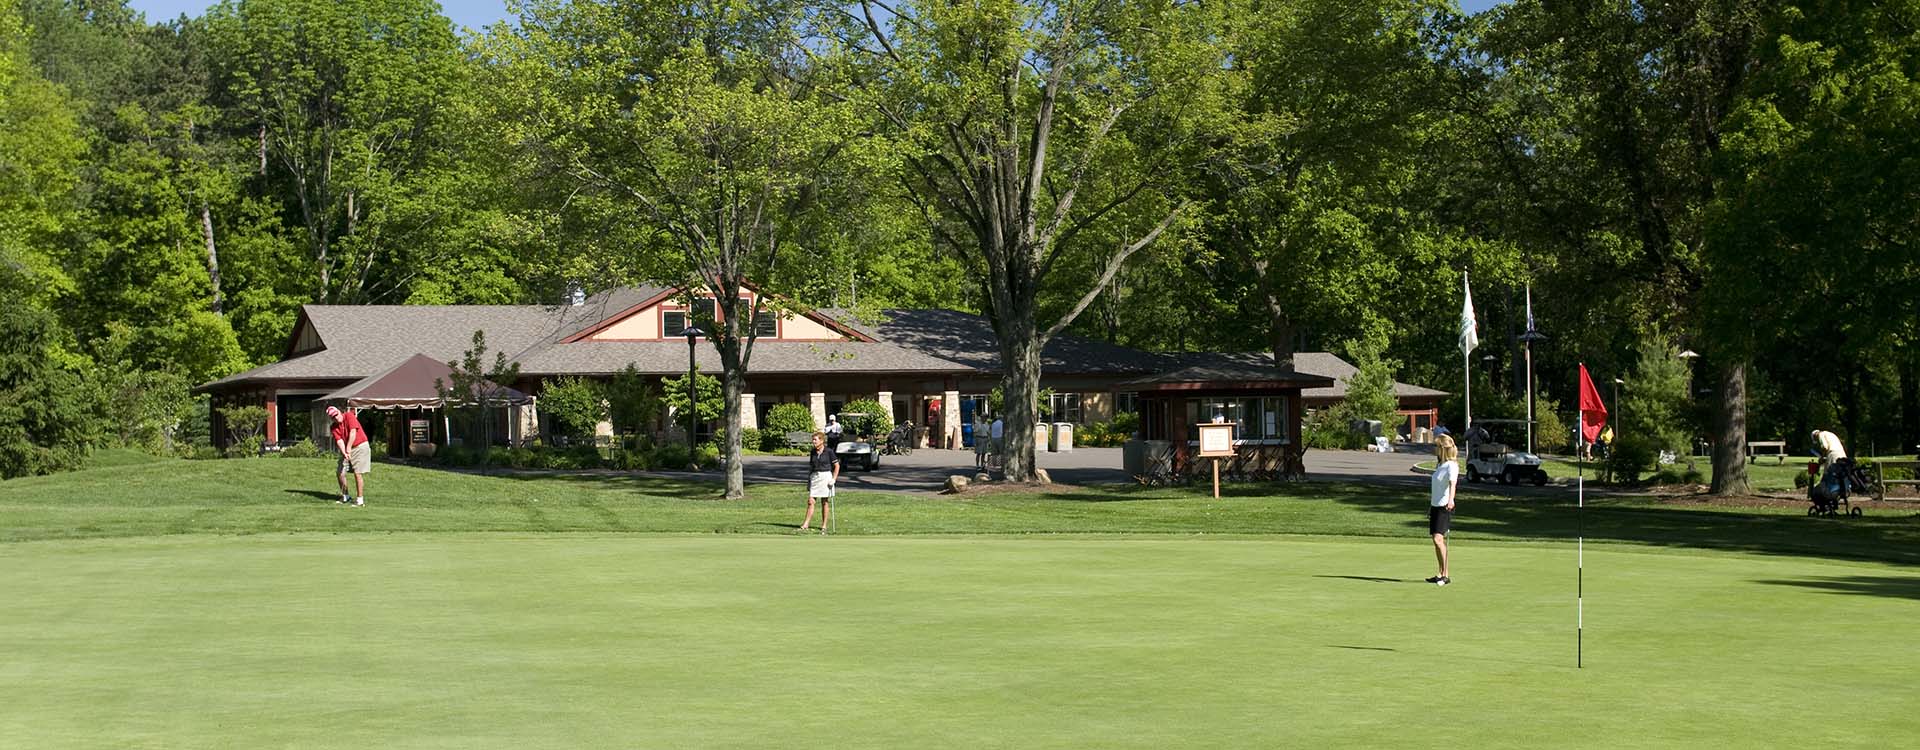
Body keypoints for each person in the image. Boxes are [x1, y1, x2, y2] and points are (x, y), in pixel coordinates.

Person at [1426, 434, 1459, 586]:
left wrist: (1451, 500)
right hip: (1435, 505)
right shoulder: (1440, 465)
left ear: (1442, 449)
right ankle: (1440, 573)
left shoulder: (1452, 465)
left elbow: (1453, 484)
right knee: (1436, 540)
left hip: (1444, 505)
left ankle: (1445, 574)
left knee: (1438, 539)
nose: (1434, 449)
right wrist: (1430, 506)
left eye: (1436, 446)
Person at [327, 406, 371, 507]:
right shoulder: (334, 427)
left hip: (360, 445)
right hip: (348, 448)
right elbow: (339, 440)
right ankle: (345, 496)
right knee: (340, 472)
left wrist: (348, 448)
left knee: (357, 473)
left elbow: (353, 432)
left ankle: (360, 500)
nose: (336, 418)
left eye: (336, 415)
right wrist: (345, 452)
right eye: (333, 417)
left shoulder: (349, 416)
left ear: (339, 411)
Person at [799, 431, 841, 534]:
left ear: (821, 441)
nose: (813, 442)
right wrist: (809, 481)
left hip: (825, 476)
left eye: (815, 440)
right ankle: (806, 524)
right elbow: (811, 467)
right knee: (811, 501)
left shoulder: (829, 451)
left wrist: (834, 479)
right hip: (815, 477)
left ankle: (824, 525)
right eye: (813, 440)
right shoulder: (813, 452)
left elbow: (837, 466)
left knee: (824, 501)